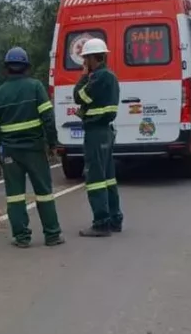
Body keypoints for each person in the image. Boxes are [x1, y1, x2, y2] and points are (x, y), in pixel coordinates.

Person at [0, 47, 64, 248]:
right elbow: (48, 118)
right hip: (35, 149)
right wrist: (52, 143)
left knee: (15, 196)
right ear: (26, 67)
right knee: (44, 192)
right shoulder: (36, 87)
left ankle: (21, 237)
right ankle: (52, 235)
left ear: (7, 69)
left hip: (10, 153)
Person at [73, 37, 124, 237]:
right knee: (108, 178)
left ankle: (101, 222)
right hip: (107, 132)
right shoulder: (110, 76)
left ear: (93, 58)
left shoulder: (98, 77)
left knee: (95, 179)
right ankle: (114, 219)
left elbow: (78, 96)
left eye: (86, 58)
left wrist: (84, 76)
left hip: (95, 133)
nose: (84, 62)